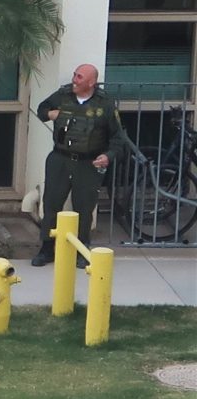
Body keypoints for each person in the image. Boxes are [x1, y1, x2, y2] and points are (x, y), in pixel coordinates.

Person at [30, 61, 125, 265]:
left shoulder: (105, 104)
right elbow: (41, 109)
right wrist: (50, 114)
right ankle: (47, 249)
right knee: (52, 204)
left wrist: (108, 156)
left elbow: (118, 138)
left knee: (84, 207)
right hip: (60, 159)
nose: (74, 79)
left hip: (88, 163)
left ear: (91, 82)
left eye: (79, 77)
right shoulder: (62, 96)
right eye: (74, 75)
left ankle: (81, 250)